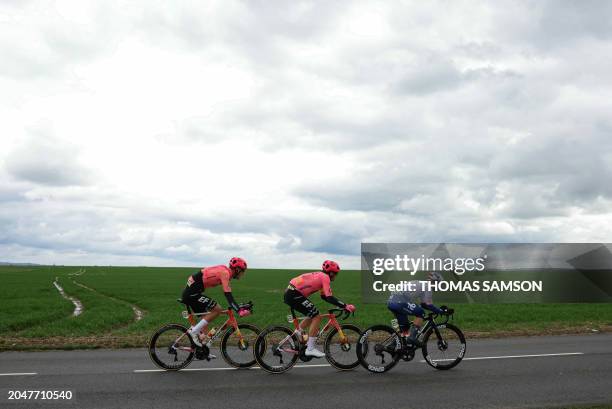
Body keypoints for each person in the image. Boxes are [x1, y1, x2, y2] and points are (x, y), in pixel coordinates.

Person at [283, 260, 356, 358]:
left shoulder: (321, 275)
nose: (335, 276)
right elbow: (329, 297)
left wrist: (341, 305)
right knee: (316, 316)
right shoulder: (325, 277)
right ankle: (310, 348)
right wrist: (345, 306)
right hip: (294, 294)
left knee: (312, 314)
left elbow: (324, 296)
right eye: (335, 274)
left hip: (291, 292)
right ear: (331, 273)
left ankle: (296, 336)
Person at [181, 257, 250, 346]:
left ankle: (203, 349)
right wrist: (239, 310)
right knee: (217, 309)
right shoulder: (225, 273)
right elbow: (228, 295)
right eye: (242, 271)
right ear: (237, 269)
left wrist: (238, 307)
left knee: (205, 322)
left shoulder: (224, 270)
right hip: (192, 293)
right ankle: (193, 332)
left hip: (193, 291)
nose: (243, 274)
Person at [387, 271, 448, 346]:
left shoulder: (423, 284)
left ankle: (392, 346)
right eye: (439, 283)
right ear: (434, 282)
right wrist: (441, 311)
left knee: (405, 327)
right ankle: (412, 337)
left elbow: (424, 304)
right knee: (421, 312)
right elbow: (428, 305)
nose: (439, 285)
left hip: (392, 301)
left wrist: (437, 310)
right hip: (400, 301)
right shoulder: (428, 287)